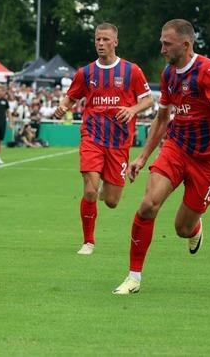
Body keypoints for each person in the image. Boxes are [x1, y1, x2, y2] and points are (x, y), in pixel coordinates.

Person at [112, 19, 210, 295]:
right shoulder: (169, 74)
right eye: (161, 43)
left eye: (166, 44)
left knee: (182, 228)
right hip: (177, 148)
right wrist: (143, 157)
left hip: (208, 160)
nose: (162, 49)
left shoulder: (208, 72)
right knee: (148, 205)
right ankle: (134, 277)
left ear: (185, 44)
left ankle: (194, 230)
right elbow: (162, 118)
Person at [54, 22, 154, 255]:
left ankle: (102, 190)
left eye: (105, 39)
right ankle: (88, 241)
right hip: (92, 136)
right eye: (98, 39)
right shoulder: (86, 72)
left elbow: (148, 100)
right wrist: (62, 107)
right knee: (89, 190)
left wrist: (132, 110)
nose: (100, 43)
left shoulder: (132, 71)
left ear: (115, 42)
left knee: (111, 201)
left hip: (119, 142)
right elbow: (71, 97)